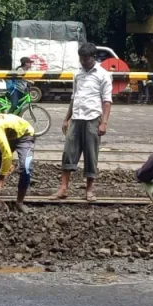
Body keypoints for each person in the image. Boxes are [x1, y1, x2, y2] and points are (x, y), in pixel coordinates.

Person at [52, 42, 113, 202]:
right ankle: (63, 188)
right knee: (68, 153)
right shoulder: (77, 74)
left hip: (93, 118)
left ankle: (89, 190)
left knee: (91, 155)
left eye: (86, 59)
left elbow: (107, 101)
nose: (83, 62)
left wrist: (104, 122)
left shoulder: (103, 74)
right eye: (81, 59)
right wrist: (66, 118)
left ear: (94, 57)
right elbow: (74, 97)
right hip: (76, 119)